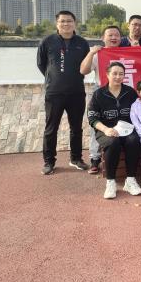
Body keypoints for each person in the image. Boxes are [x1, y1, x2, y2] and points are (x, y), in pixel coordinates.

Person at [37, 10, 90, 175]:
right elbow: (41, 64)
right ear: (57, 23)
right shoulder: (47, 41)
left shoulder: (82, 43)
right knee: (51, 128)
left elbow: (86, 66)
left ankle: (76, 158)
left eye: (69, 21)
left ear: (75, 23)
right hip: (54, 93)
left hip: (76, 92)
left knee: (76, 128)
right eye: (63, 21)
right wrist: (53, 78)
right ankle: (49, 162)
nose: (66, 24)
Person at [87, 61, 141, 199]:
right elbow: (92, 118)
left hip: (127, 129)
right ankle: (110, 182)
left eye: (121, 74)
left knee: (134, 140)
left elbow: (139, 111)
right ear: (107, 74)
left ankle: (130, 180)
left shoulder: (130, 92)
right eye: (114, 73)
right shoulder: (99, 94)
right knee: (113, 142)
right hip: (106, 130)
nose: (118, 77)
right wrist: (106, 129)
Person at [79, 25, 121, 174]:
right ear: (103, 38)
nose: (113, 38)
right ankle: (95, 158)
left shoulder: (126, 53)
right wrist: (91, 53)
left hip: (121, 92)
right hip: (102, 92)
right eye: (110, 35)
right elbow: (83, 70)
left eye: (116, 35)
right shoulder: (99, 54)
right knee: (97, 124)